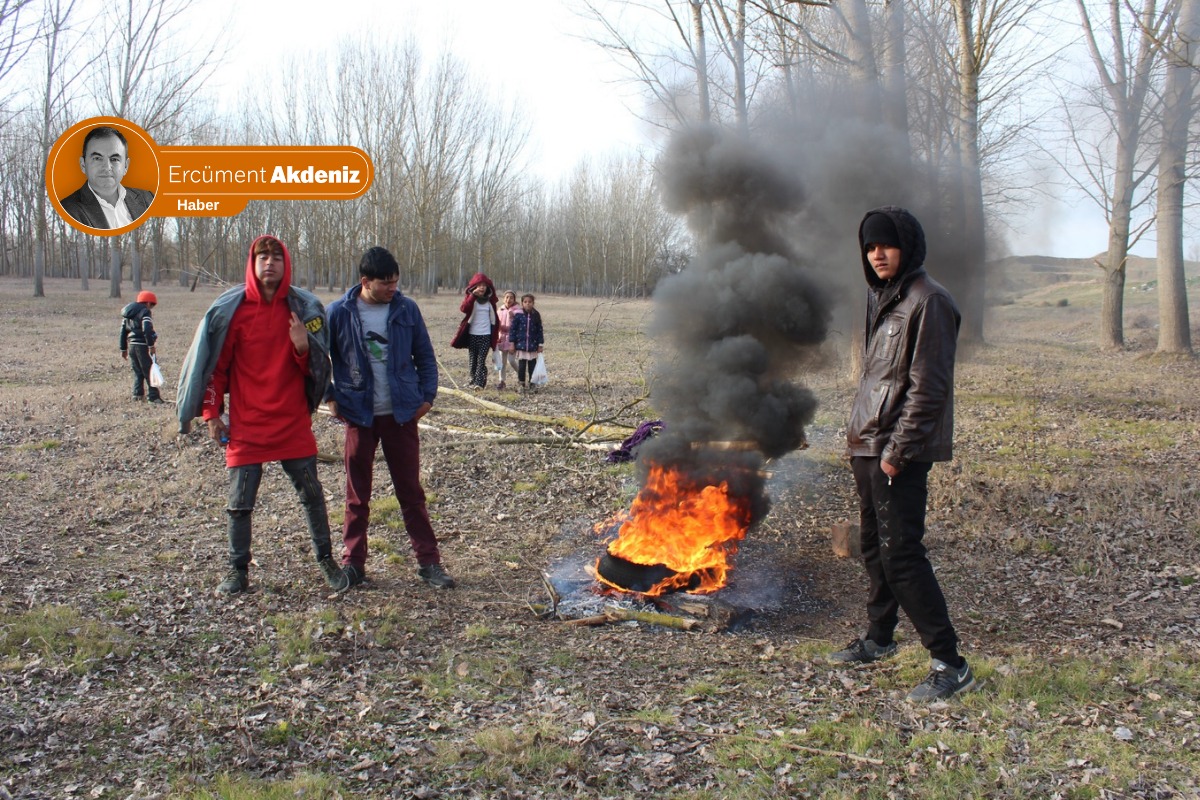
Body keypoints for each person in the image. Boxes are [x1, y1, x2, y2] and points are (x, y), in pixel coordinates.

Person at [829, 205, 974, 703]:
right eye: (869, 247)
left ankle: (949, 662)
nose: (877, 254)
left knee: (902, 556)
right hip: (868, 446)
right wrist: (864, 446)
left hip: (895, 453)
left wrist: (898, 452)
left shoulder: (928, 301)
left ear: (907, 246)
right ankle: (879, 639)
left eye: (886, 244)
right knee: (874, 548)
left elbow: (929, 389)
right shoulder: (885, 298)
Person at [175, 235, 348, 596]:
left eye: (276, 257)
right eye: (262, 256)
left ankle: (327, 561)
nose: (269, 263)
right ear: (252, 264)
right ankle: (237, 571)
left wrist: (302, 347)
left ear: (286, 265)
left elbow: (317, 370)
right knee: (239, 503)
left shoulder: (302, 309)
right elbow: (215, 368)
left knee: (313, 494)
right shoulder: (233, 311)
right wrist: (211, 414)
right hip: (248, 426)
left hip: (292, 423)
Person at [325, 246, 456, 589]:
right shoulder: (338, 313)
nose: (392, 289)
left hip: (401, 415)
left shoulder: (407, 309)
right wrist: (328, 396)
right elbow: (318, 359)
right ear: (364, 281)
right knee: (357, 496)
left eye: (396, 282)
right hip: (359, 416)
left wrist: (427, 397)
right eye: (386, 284)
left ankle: (429, 563)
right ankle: (354, 564)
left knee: (411, 493)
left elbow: (425, 356)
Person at [59, 126, 154, 230]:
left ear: (126, 166)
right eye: (97, 158)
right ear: (83, 165)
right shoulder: (67, 210)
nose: (107, 167)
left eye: (114, 159)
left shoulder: (148, 199)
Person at [452, 273, 498, 389]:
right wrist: (472, 296)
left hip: (485, 335)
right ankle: (472, 380)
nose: (482, 287)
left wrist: (495, 337)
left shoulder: (489, 302)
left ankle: (479, 383)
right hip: (473, 334)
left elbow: (494, 320)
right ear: (474, 287)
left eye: (484, 285)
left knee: (481, 360)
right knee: (473, 360)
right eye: (479, 285)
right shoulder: (471, 299)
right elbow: (464, 309)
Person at [119, 290, 163, 404]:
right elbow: (147, 329)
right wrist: (151, 345)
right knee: (149, 370)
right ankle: (153, 397)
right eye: (152, 305)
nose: (151, 308)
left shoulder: (128, 313)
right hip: (143, 346)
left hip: (132, 346)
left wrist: (123, 349)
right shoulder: (145, 312)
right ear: (147, 303)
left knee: (138, 371)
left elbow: (123, 332)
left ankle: (137, 394)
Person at [507, 293, 544, 393]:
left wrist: (540, 344)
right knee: (522, 367)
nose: (528, 304)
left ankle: (532, 384)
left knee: (532, 366)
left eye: (530, 302)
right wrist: (512, 343)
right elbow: (513, 330)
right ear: (522, 303)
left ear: (533, 303)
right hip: (521, 346)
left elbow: (539, 330)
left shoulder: (536, 315)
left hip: (533, 346)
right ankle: (521, 384)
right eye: (525, 302)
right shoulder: (518, 315)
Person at [495, 290, 519, 390]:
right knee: (502, 362)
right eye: (507, 297)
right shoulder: (500, 310)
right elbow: (496, 324)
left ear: (514, 299)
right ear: (503, 298)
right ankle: (502, 381)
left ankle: (522, 375)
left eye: (511, 297)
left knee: (511, 360)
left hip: (512, 339)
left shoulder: (517, 311)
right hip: (501, 338)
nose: (508, 299)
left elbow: (519, 326)